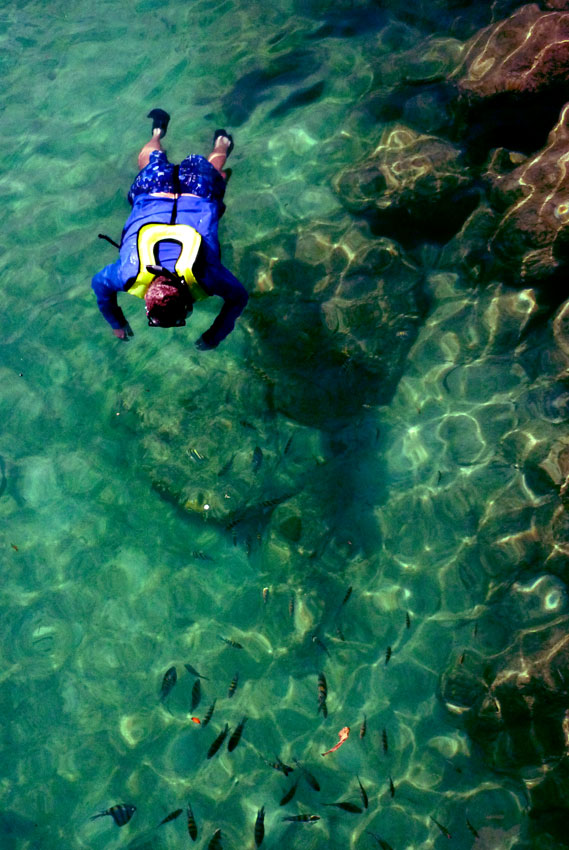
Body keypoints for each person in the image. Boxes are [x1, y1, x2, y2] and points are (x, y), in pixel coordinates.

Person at [92, 109, 248, 350]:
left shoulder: (209, 278)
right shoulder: (128, 272)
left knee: (215, 172)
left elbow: (239, 298)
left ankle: (222, 143)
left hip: (199, 192)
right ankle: (157, 132)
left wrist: (215, 335)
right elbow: (99, 284)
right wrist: (116, 322)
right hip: (154, 191)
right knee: (148, 159)